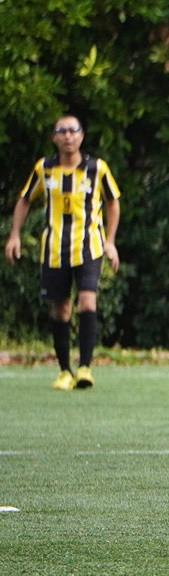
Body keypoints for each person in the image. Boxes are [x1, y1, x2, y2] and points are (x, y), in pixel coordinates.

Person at [5, 113, 121, 390]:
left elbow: (113, 202)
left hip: (89, 246)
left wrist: (110, 241)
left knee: (87, 302)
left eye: (73, 131)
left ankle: (85, 368)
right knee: (60, 308)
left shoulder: (97, 168)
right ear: (54, 137)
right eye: (62, 131)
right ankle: (64, 370)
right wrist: (14, 235)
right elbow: (24, 200)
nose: (68, 136)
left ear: (81, 135)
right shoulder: (44, 168)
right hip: (54, 248)